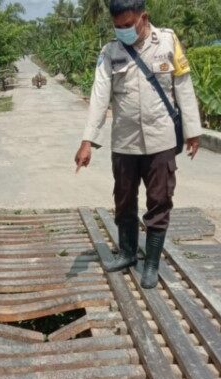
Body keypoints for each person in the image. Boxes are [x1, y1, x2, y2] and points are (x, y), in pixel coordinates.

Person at [75, 0, 201, 288]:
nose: (123, 31)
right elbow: (99, 96)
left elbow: (183, 84)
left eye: (128, 25)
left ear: (144, 18)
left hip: (162, 141)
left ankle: (152, 264)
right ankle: (129, 253)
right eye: (117, 27)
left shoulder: (168, 42)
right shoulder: (110, 52)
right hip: (125, 143)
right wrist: (87, 141)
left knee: (159, 201)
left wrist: (192, 131)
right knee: (123, 201)